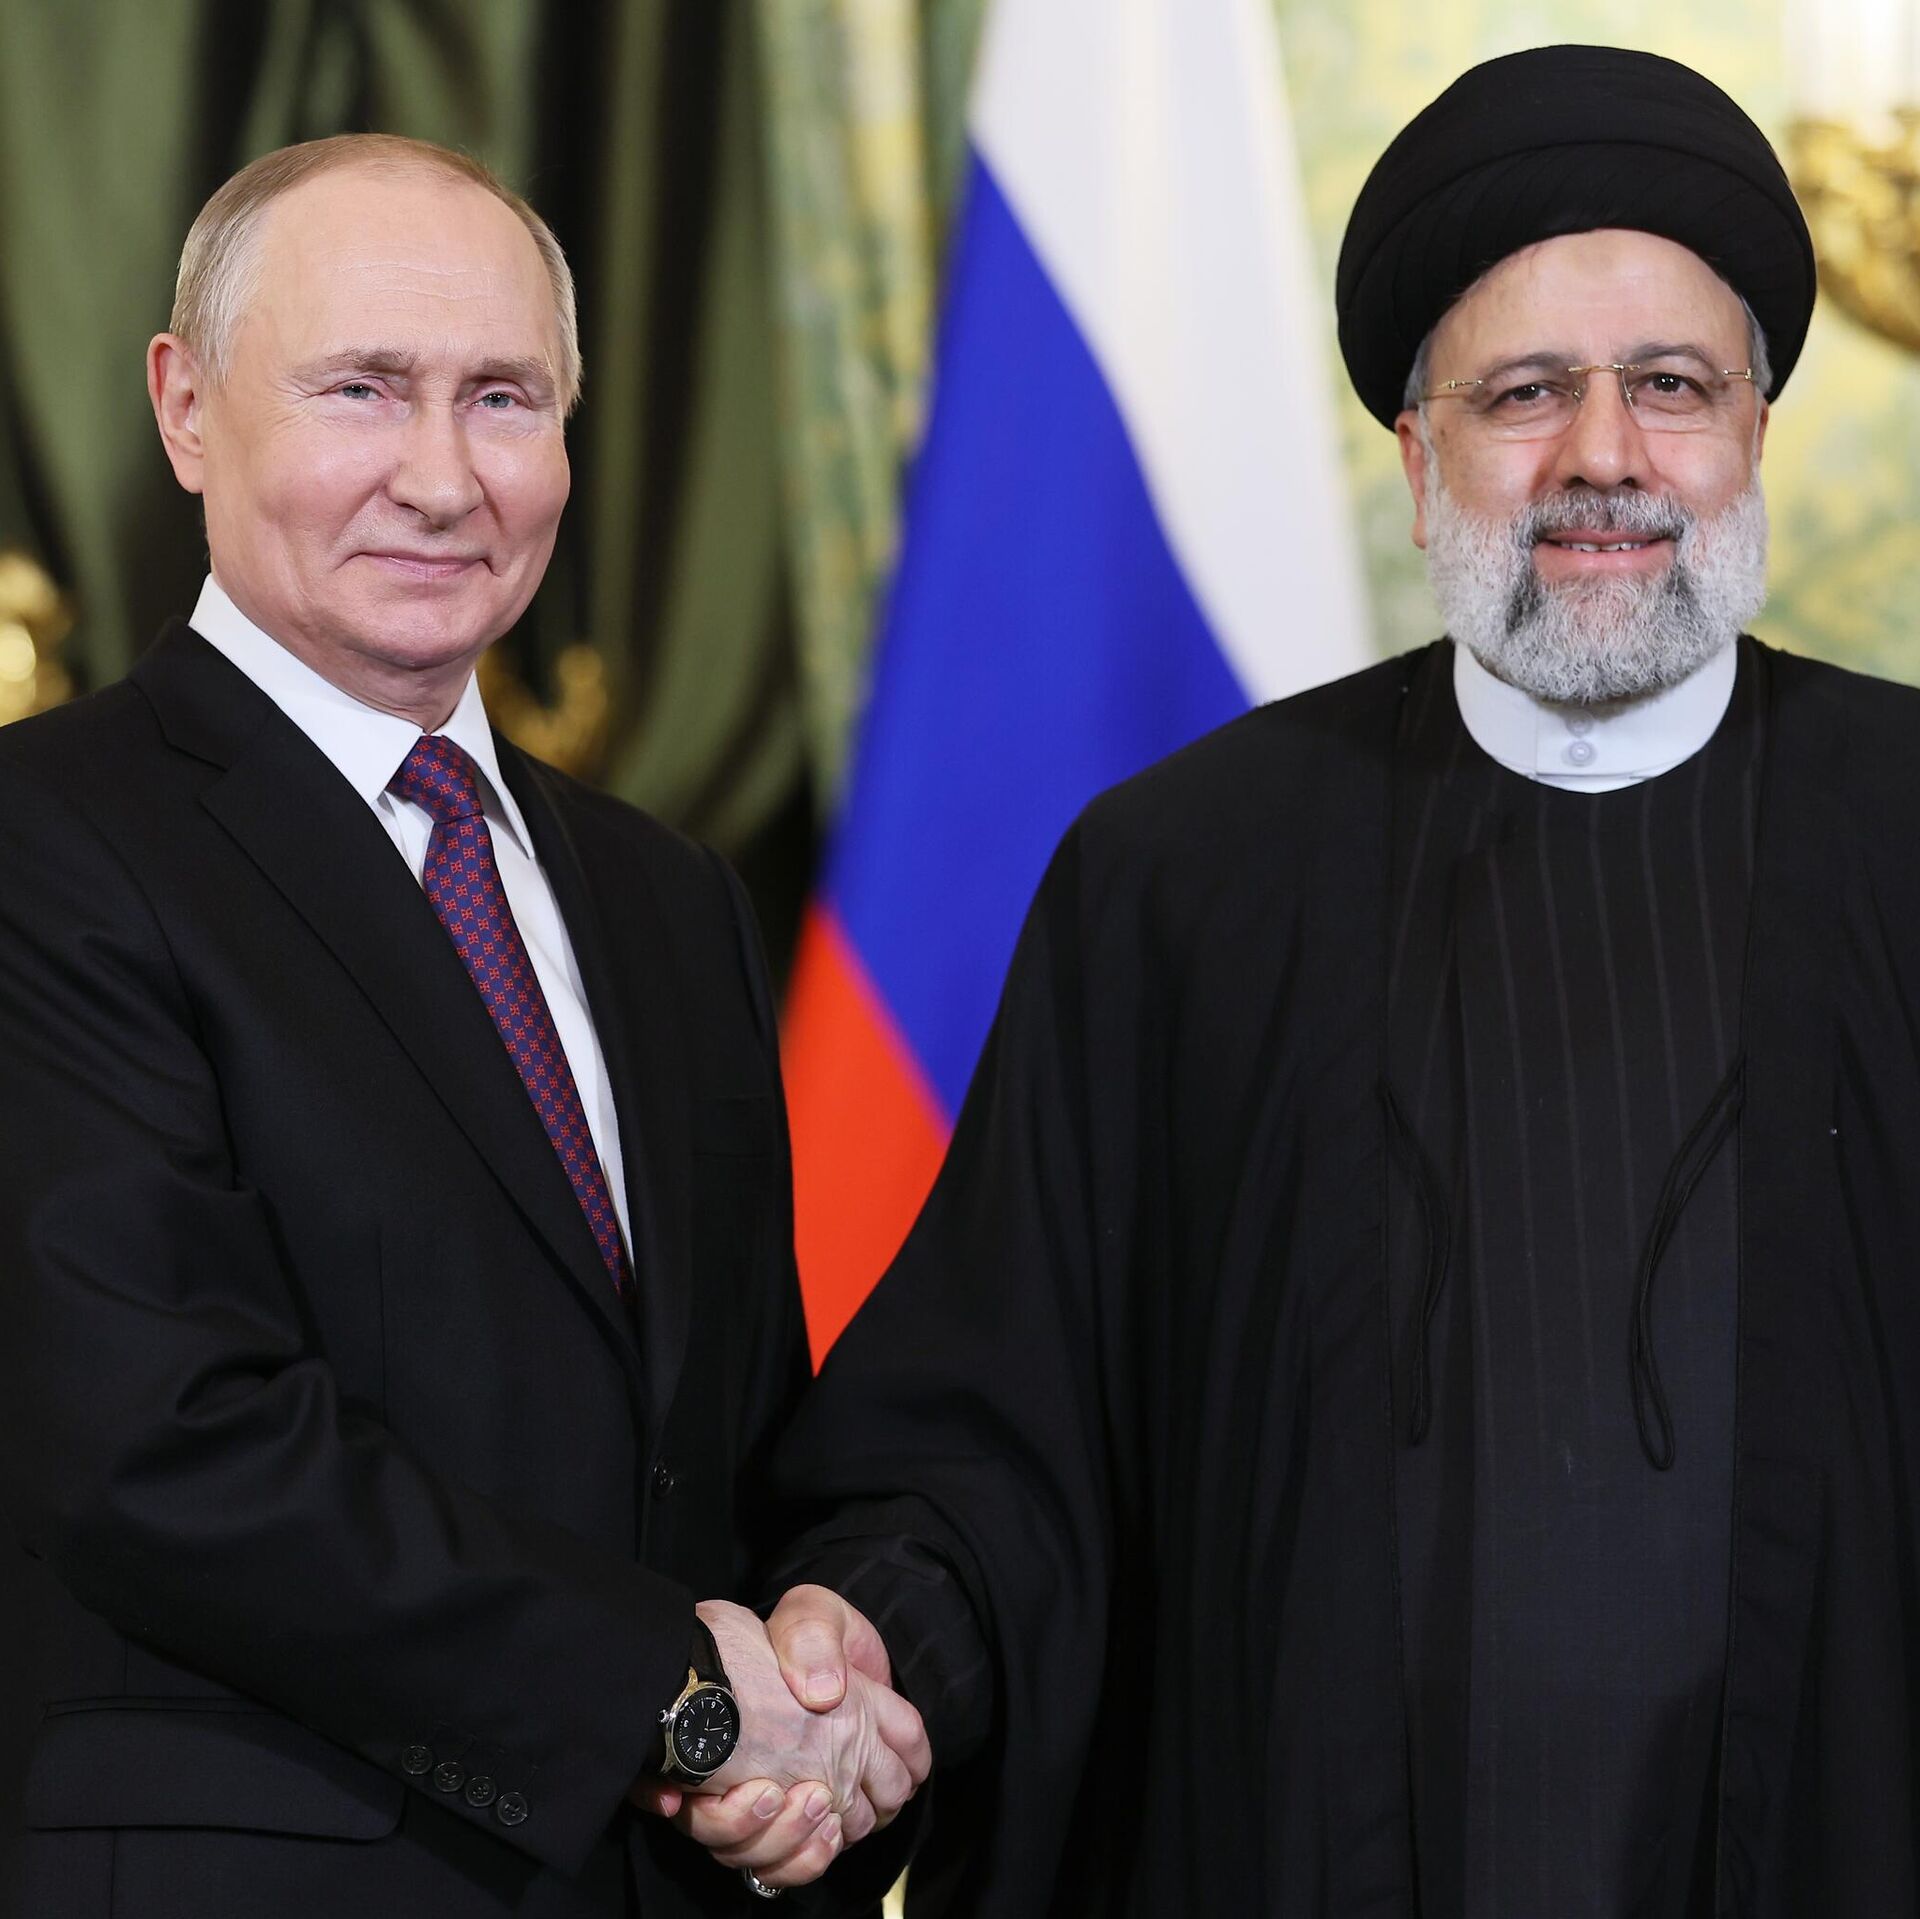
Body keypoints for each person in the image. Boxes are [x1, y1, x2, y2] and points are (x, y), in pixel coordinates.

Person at [672, 44, 1920, 1916]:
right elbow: (1000, 1437)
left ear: (1753, 431)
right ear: (1418, 457)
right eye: (1525, 392)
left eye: (1672, 385)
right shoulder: (1190, 877)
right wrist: (874, 1667)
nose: (1603, 455)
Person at [0, 134, 925, 1919]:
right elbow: (159, 1444)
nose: (441, 477)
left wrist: (828, 1684)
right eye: (361, 388)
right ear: (185, 409)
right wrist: (674, 1701)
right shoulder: (46, 847)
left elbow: (731, 1450)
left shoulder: (670, 901)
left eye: (503, 399)